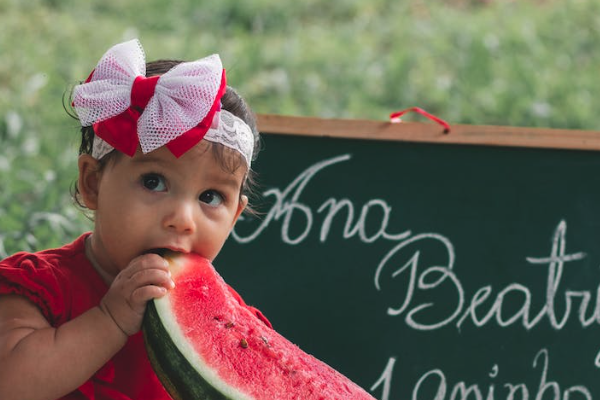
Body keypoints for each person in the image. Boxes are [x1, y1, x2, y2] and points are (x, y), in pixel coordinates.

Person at [0, 39, 268, 400]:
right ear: (92, 183)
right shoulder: (36, 289)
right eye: (154, 182)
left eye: (210, 197)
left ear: (234, 216)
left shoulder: (227, 319)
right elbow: (11, 383)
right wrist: (110, 319)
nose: (182, 219)